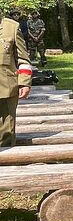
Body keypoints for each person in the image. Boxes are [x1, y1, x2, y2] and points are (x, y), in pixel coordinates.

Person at [0, 9, 32, 147]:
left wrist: (24, 83)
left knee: (5, 132)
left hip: (6, 88)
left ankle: (8, 164)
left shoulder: (12, 27)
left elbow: (23, 58)